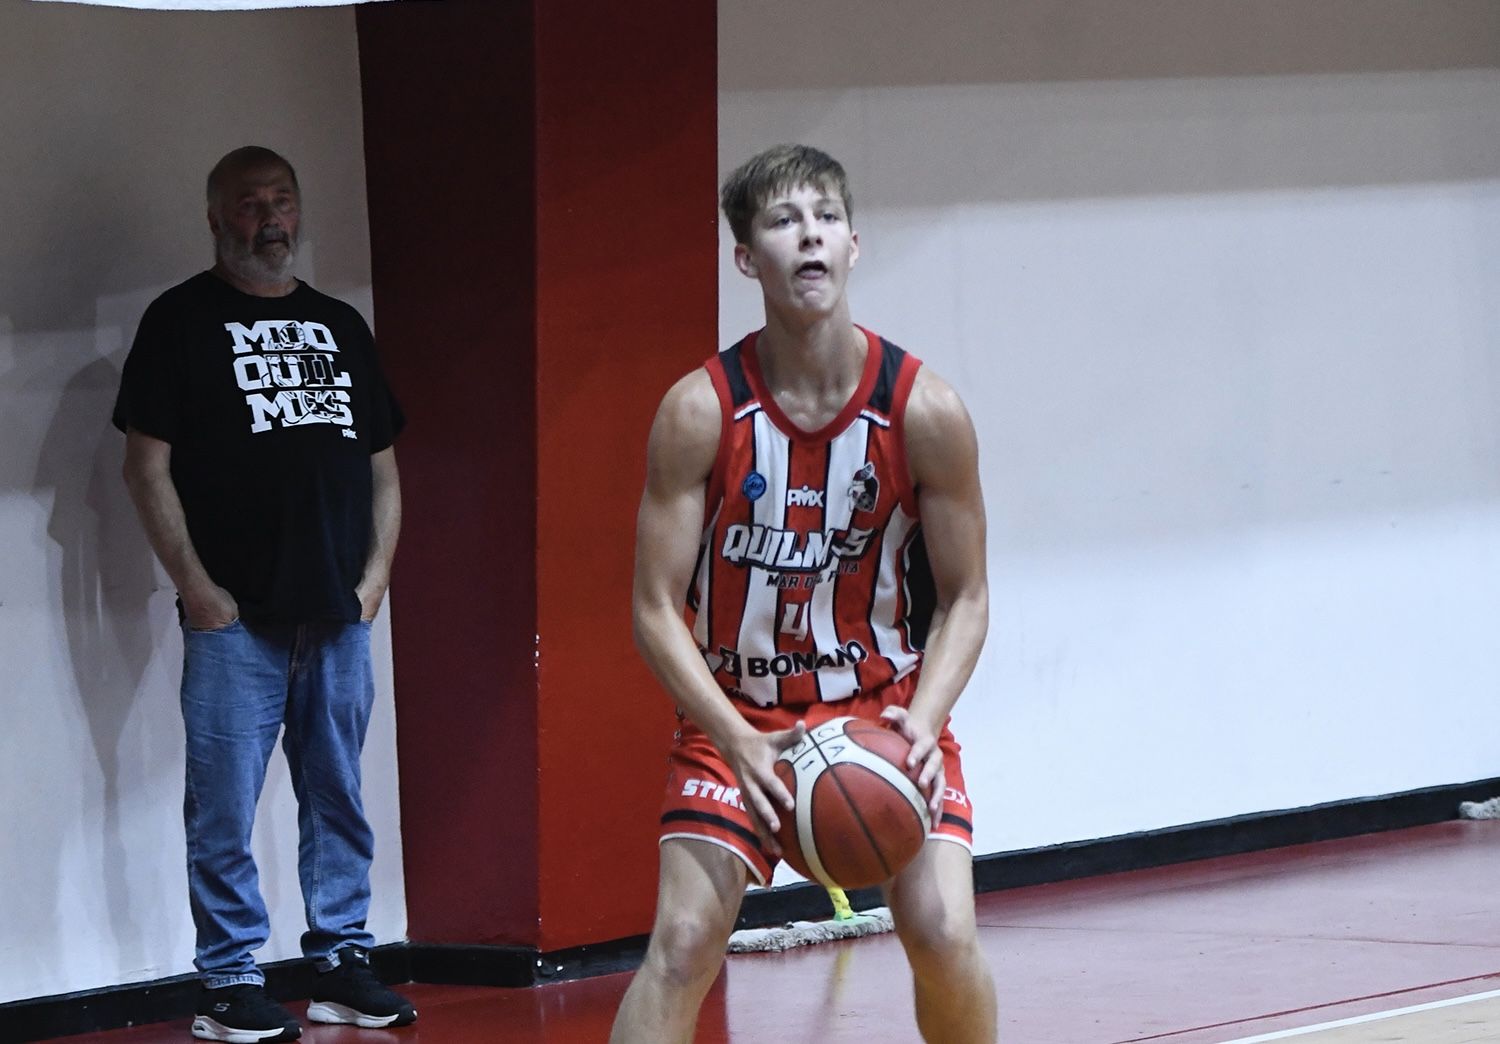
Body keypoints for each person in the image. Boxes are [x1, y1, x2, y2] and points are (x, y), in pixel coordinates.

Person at [610, 144, 997, 1043]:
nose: (809, 236)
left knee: (942, 932)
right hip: (741, 717)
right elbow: (654, 610)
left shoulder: (923, 409)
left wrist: (927, 720)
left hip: (884, 709)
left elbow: (970, 597)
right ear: (747, 257)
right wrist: (736, 736)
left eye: (825, 218)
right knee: (680, 945)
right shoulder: (701, 411)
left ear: (855, 244)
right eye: (784, 221)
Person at [114, 147, 415, 1043]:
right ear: (216, 218)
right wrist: (198, 591)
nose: (270, 218)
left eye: (282, 200)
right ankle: (229, 981)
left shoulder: (340, 326)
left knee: (338, 800)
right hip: (234, 622)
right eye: (249, 204)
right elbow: (145, 467)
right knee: (224, 808)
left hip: (336, 614)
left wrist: (373, 583)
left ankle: (338, 963)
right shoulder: (179, 321)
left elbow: (385, 474)